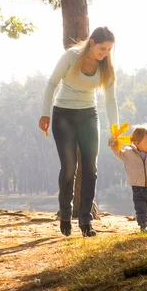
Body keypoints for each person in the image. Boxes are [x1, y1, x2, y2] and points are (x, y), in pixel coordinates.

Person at [38, 26, 119, 237]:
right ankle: (65, 214)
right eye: (102, 48)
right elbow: (52, 83)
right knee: (69, 168)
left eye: (109, 50)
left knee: (90, 168)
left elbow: (110, 100)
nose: (105, 53)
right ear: (92, 42)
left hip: (88, 115)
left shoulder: (106, 67)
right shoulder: (72, 56)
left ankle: (86, 221)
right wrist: (45, 114)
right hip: (63, 114)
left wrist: (115, 130)